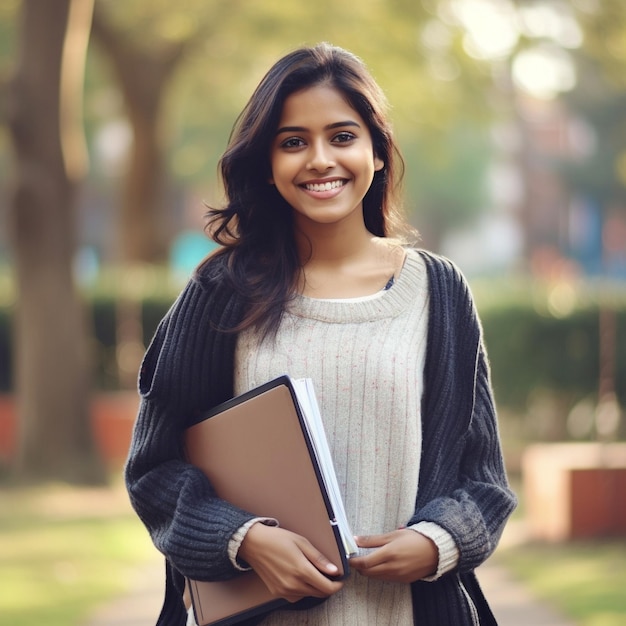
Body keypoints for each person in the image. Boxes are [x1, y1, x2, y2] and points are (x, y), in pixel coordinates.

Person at [125, 42, 517, 626]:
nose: (319, 160)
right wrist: (245, 539)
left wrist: (438, 540)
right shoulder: (223, 290)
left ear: (377, 153)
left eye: (341, 136)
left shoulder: (439, 291)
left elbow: (483, 482)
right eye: (292, 142)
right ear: (267, 164)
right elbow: (154, 467)